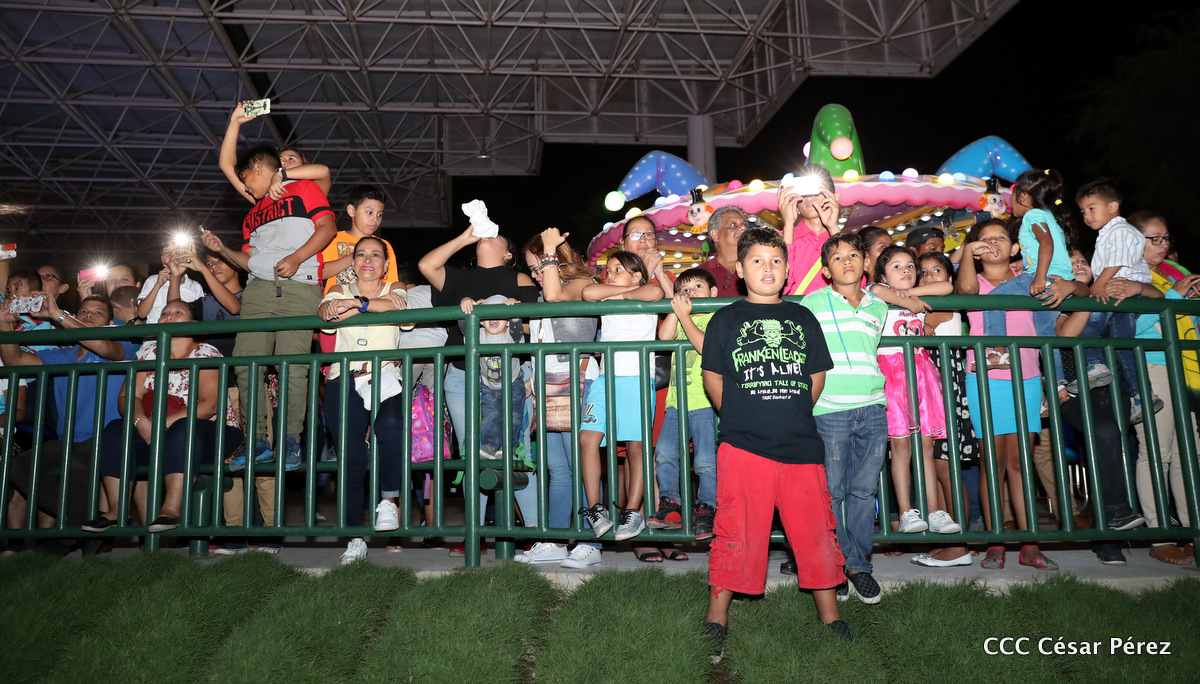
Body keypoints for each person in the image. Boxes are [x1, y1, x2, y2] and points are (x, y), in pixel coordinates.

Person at [702, 227, 850, 651]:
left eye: (776, 261)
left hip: (800, 444)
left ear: (787, 270)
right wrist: (739, 415)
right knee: (736, 530)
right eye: (757, 261)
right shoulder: (725, 320)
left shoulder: (803, 318)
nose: (767, 268)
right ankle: (716, 617)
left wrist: (793, 410)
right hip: (743, 445)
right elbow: (713, 378)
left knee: (815, 531)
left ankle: (831, 616)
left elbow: (816, 376)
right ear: (739, 269)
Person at [202, 143, 336, 471]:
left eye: (246, 178)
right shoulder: (253, 213)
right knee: (247, 364)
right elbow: (249, 261)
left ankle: (290, 440)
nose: (246, 187)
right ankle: (257, 440)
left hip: (300, 287)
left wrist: (297, 257)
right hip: (257, 290)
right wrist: (223, 250)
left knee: (293, 366)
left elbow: (328, 228)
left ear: (259, 169)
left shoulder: (304, 189)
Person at [419, 222, 538, 557]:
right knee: (474, 454)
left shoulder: (519, 279)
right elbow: (427, 265)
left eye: (496, 235)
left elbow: (537, 324)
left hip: (510, 379)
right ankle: (476, 535)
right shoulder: (459, 278)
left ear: (508, 254)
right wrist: (464, 237)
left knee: (516, 453)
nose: (488, 235)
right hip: (462, 376)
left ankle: (536, 533)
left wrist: (515, 317)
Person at [84, 300, 242, 534]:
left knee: (183, 428)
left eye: (178, 312)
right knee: (116, 429)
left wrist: (160, 424)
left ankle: (171, 510)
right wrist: (140, 422)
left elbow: (209, 405)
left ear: (193, 323)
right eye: (165, 313)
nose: (169, 316)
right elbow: (128, 396)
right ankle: (118, 510)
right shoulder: (149, 353)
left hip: (213, 433)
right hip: (160, 434)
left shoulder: (206, 353)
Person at [956, 219, 1055, 570]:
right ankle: (995, 542)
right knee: (992, 464)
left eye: (1000, 237)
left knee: (1020, 463)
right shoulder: (975, 281)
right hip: (984, 380)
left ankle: (1030, 544)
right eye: (984, 239)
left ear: (1014, 248)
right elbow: (966, 289)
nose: (993, 243)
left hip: (1026, 378)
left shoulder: (1028, 281)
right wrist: (967, 252)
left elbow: (1062, 281)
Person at [799, 233, 889, 601]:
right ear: (825, 270)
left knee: (864, 492)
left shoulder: (878, 306)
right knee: (832, 491)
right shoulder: (813, 303)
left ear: (866, 263)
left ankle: (855, 563)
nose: (847, 261)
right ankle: (845, 565)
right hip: (830, 408)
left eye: (853, 255)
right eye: (837, 257)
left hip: (873, 407)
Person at [1, 296, 136, 538]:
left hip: (107, 438)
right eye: (83, 311)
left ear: (110, 323)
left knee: (78, 465)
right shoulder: (61, 354)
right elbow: (14, 360)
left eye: (98, 312)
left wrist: (59, 315)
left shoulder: (123, 344)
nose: (89, 315)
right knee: (19, 467)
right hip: (67, 440)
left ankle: (73, 532)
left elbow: (105, 348)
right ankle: (82, 519)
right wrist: (4, 323)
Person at [317, 236, 412, 564]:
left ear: (386, 265)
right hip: (343, 378)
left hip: (385, 374)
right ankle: (355, 537)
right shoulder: (337, 288)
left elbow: (399, 309)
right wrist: (359, 304)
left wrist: (356, 305)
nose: (368, 260)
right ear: (353, 262)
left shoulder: (395, 287)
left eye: (375, 255)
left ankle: (389, 500)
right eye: (361, 255)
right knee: (352, 457)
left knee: (392, 424)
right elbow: (325, 315)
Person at [514, 228, 604, 568]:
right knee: (559, 471)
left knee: (581, 468)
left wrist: (550, 250)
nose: (537, 275)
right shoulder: (543, 294)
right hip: (546, 384)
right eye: (533, 269)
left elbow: (556, 298)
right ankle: (554, 540)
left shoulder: (581, 282)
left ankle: (590, 543)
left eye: (539, 266)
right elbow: (545, 331)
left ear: (556, 258)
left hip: (576, 379)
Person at [1053, 252, 1148, 565]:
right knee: (1103, 437)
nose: (1079, 265)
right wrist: (1086, 294)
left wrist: (1137, 288)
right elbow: (1065, 334)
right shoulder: (1059, 301)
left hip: (1117, 388)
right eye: (1071, 263)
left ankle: (1110, 534)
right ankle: (1114, 518)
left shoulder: (1111, 291)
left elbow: (1156, 296)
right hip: (1076, 389)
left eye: (1082, 260)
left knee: (1111, 453)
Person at [1119, 212, 1199, 563]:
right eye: (1154, 239)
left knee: (1189, 454)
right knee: (1156, 451)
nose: (1163, 245)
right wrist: (1176, 299)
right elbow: (1130, 326)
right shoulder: (1124, 274)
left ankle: (1193, 531)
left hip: (1187, 369)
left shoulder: (1176, 272)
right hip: (1151, 366)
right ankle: (1159, 535)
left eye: (1166, 238)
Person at [578, 251, 672, 543]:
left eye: (618, 269)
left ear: (637, 274)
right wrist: (620, 291)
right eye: (608, 270)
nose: (610, 274)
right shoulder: (606, 293)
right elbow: (588, 292)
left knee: (636, 446)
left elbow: (656, 292)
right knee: (587, 438)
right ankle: (595, 509)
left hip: (636, 378)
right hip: (605, 378)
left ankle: (632, 511)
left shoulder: (646, 292)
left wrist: (620, 295)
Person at [870, 245, 955, 534]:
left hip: (920, 373)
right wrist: (903, 300)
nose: (905, 270)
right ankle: (906, 511)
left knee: (926, 446)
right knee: (901, 446)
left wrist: (911, 294)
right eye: (896, 266)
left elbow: (946, 287)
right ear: (883, 274)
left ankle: (934, 510)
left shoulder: (918, 293)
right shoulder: (879, 292)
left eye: (909, 266)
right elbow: (875, 289)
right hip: (892, 374)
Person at [981, 169, 1083, 382]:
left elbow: (1046, 243)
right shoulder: (1049, 217)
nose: (1011, 203)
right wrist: (1024, 262)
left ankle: (999, 351)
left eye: (1012, 196)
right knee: (1045, 332)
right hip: (1059, 279)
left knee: (992, 300)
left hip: (1043, 276)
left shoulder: (1032, 215)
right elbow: (1047, 248)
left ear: (1024, 197)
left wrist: (1039, 277)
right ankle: (1057, 382)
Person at [911, 250, 975, 567]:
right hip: (926, 390)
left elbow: (921, 322)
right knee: (933, 469)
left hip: (945, 389)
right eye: (922, 272)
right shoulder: (919, 306)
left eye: (936, 271)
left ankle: (960, 544)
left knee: (945, 468)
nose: (928, 277)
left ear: (948, 276)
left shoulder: (945, 304)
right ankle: (946, 538)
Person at [649, 269, 718, 541]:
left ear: (713, 293)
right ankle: (670, 504)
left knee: (705, 460)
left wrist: (685, 316)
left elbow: (704, 347)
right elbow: (665, 338)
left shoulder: (716, 316)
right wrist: (675, 310)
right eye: (685, 289)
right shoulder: (680, 317)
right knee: (664, 453)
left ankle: (707, 506)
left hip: (705, 402)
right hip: (676, 402)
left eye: (698, 286)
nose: (691, 293)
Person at [1075, 178, 1155, 402]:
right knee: (1123, 344)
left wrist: (1098, 284)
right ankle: (1142, 394)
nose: (1087, 216)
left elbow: (1117, 261)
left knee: (1089, 327)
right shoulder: (1111, 231)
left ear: (1112, 206)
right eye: (1083, 211)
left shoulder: (1120, 230)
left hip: (1116, 287)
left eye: (1092, 208)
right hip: (1124, 292)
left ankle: (1094, 365)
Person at [219, 102, 331, 204]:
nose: (283, 162)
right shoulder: (263, 196)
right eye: (280, 159)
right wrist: (234, 123)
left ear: (304, 166)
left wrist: (281, 174)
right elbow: (227, 165)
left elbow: (323, 172)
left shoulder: (311, 191)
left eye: (291, 159)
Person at [320, 184, 399, 294]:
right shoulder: (333, 239)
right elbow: (319, 273)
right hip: (336, 301)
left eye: (379, 215)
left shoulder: (383, 246)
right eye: (369, 213)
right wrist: (353, 257)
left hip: (372, 301)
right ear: (351, 210)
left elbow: (390, 283)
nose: (375, 219)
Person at [779, 164, 840, 296]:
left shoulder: (850, 243)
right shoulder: (777, 240)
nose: (810, 196)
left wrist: (833, 227)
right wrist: (788, 225)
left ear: (835, 197)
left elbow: (857, 286)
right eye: (804, 191)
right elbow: (779, 286)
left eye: (817, 189)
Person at [176, 248, 244, 358]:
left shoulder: (250, 294)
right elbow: (175, 309)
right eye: (209, 264)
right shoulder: (205, 302)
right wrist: (175, 277)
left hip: (243, 363)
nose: (214, 266)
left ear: (235, 264)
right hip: (212, 365)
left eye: (220, 260)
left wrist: (204, 269)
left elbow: (235, 308)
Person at [393, 262, 448, 390]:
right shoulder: (430, 289)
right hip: (437, 345)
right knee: (432, 395)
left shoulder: (395, 296)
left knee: (403, 392)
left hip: (410, 346)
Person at [137, 243, 205, 325]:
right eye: (166, 252)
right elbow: (141, 314)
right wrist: (158, 285)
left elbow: (200, 317)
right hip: (155, 331)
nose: (171, 256)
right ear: (162, 259)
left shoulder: (195, 286)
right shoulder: (153, 280)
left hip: (183, 331)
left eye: (177, 251)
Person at [698, 206, 748, 296]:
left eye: (745, 225)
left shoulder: (758, 267)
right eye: (733, 225)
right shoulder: (698, 275)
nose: (743, 228)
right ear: (715, 235)